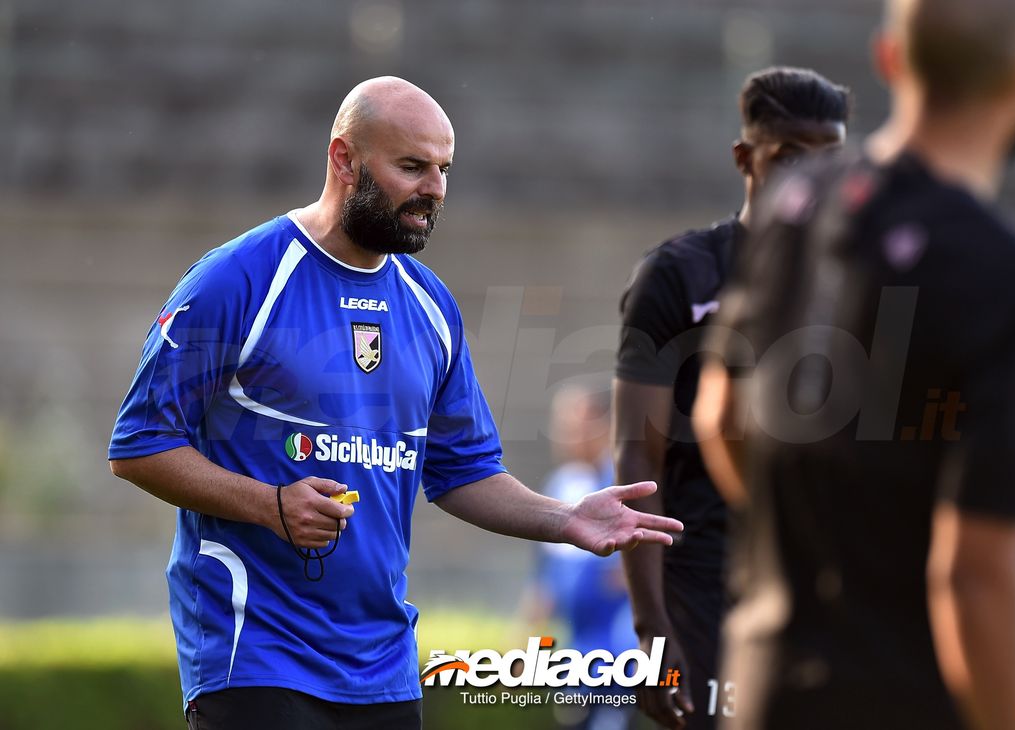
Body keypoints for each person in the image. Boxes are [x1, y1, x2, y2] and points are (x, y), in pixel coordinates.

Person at [107, 76, 682, 730]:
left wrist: (566, 518)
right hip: (255, 653)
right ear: (344, 159)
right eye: (412, 166)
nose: (434, 188)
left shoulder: (431, 304)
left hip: (382, 664)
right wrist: (268, 505)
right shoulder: (238, 278)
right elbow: (140, 447)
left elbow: (463, 470)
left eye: (443, 169)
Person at [692, 1, 1015, 729]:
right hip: (913, 698)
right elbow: (975, 574)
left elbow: (721, 416)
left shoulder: (790, 203)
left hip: (768, 683)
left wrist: (822, 553)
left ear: (890, 59)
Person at [613, 67, 850, 730]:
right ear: (746, 158)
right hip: (702, 584)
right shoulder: (681, 273)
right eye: (789, 158)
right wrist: (653, 629)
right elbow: (638, 454)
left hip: (822, 588)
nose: (809, 177)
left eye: (828, 159)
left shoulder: (862, 273)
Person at [518, 385, 637, 730]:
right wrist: (525, 641)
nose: (568, 436)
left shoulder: (623, 486)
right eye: (563, 426)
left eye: (578, 426)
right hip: (576, 651)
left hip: (616, 652)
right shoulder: (557, 487)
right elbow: (544, 579)